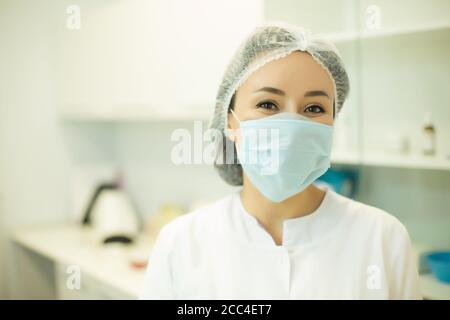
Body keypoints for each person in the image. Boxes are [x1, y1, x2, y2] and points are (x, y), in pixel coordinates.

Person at [140, 22, 421, 299]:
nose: (292, 124)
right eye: (268, 104)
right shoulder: (181, 244)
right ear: (230, 121)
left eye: (314, 108)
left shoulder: (383, 239)